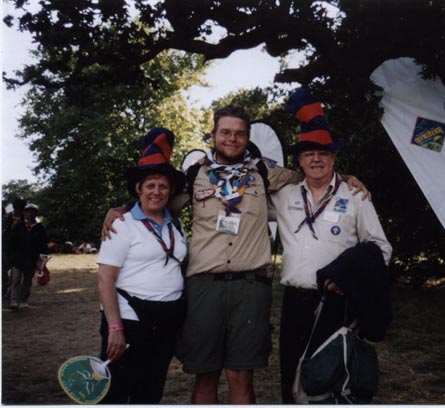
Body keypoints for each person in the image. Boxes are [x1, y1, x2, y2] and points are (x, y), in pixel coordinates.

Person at [102, 105, 369, 404]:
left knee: (241, 375)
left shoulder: (265, 172)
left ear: (247, 137)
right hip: (204, 286)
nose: (232, 139)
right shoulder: (193, 175)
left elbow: (313, 178)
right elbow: (157, 201)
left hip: (250, 287)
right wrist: (123, 209)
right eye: (225, 132)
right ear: (214, 134)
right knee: (206, 373)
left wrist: (346, 177)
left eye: (239, 134)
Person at [271, 87, 393, 403]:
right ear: (299, 159)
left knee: (331, 379)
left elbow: (381, 247)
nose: (316, 159)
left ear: (334, 157)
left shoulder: (355, 196)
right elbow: (244, 194)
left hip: (337, 304)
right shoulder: (285, 196)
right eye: (309, 153)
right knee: (292, 378)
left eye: (323, 153)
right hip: (295, 302)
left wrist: (350, 276)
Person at [96, 128, 187, 404]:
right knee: (118, 391)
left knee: (151, 390)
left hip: (166, 320)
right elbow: (105, 280)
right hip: (129, 319)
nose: (156, 192)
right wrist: (115, 328)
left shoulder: (176, 223)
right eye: (150, 185)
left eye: (162, 186)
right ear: (139, 189)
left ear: (170, 191)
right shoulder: (121, 224)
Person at [6, 202, 49, 310]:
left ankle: (23, 301)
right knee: (15, 279)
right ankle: (14, 301)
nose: (30, 214)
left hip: (31, 259)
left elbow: (43, 245)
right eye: (28, 212)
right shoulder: (18, 226)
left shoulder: (39, 229)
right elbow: (11, 241)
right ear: (24, 213)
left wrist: (42, 260)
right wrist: (9, 256)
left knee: (27, 281)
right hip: (17, 258)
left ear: (36, 214)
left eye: (33, 212)